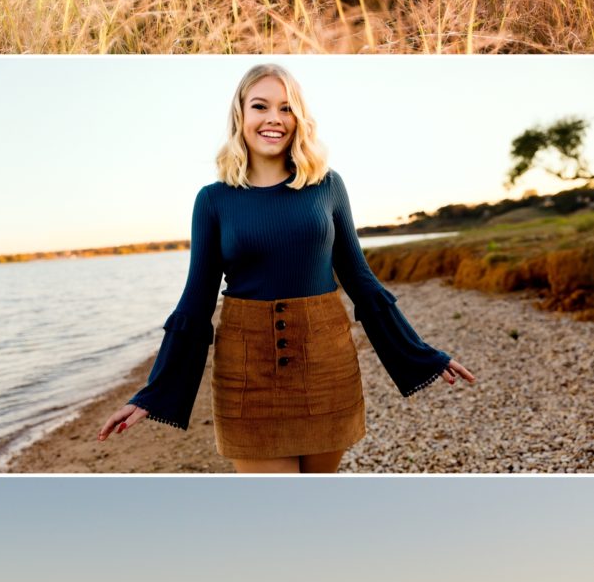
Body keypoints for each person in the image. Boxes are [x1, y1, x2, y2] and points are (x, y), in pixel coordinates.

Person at [99, 63, 475, 472]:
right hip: (247, 373)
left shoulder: (327, 185)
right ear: (240, 114)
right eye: (260, 106)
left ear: (299, 119)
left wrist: (421, 355)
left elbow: (359, 279)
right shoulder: (213, 200)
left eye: (287, 108)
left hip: (326, 365)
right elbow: (196, 298)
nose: (274, 119)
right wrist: (152, 393)